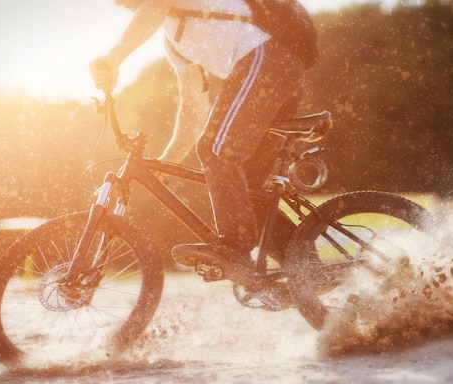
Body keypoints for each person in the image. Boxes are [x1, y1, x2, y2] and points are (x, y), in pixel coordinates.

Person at [90, 0, 307, 277]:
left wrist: (114, 57)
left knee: (216, 150)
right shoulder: (174, 42)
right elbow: (193, 110)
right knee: (249, 193)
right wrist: (166, 161)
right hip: (278, 71)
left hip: (267, 59)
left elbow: (155, 7)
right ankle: (308, 271)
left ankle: (234, 247)